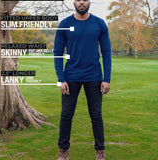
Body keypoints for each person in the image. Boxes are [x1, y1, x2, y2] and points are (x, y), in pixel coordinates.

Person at [54, 0, 111, 159]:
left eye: (84, 0)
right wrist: (61, 79)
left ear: (89, 2)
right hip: (70, 77)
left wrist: (107, 79)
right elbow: (57, 53)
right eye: (78, 0)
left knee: (96, 115)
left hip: (94, 77)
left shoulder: (99, 24)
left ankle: (100, 152)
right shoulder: (64, 24)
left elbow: (106, 52)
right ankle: (63, 152)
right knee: (66, 115)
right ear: (74, 2)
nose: (81, 3)